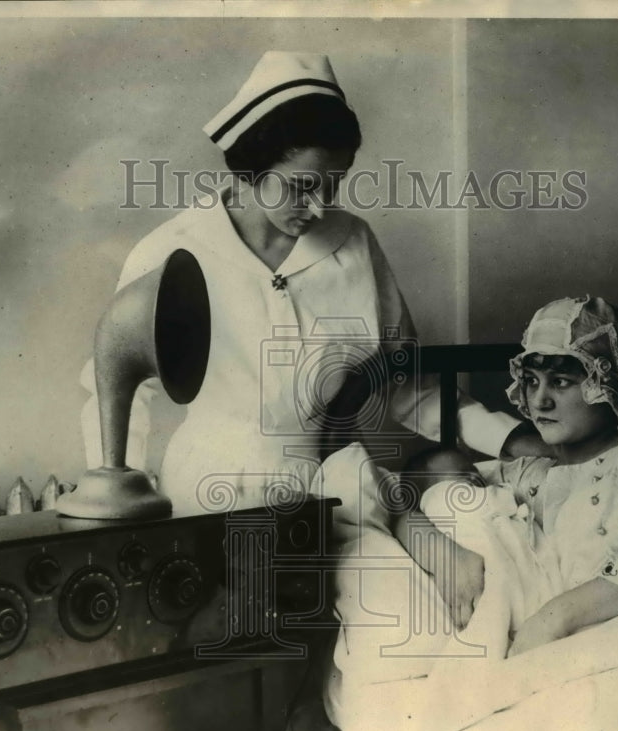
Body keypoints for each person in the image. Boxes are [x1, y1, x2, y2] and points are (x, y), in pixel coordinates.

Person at [80, 51, 535, 517]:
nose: (318, 208)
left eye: (332, 186)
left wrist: (510, 438)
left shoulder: (354, 242)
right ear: (252, 167)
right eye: (301, 186)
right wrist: (115, 513)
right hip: (206, 494)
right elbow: (118, 393)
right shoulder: (172, 250)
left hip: (331, 491)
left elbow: (409, 385)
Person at [385, 295, 618, 668]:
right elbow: (404, 497)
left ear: (607, 384)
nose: (539, 401)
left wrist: (551, 620)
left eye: (560, 382)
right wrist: (443, 553)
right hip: (568, 653)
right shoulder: (528, 473)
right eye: (530, 382)